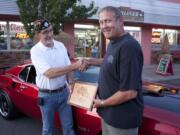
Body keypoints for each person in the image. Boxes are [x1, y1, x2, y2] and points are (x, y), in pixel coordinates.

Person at [80, 6, 144, 135]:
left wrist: (102, 103)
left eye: (108, 21)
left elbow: (130, 93)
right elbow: (109, 61)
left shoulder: (128, 47)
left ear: (121, 21)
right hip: (109, 115)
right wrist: (90, 61)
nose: (104, 26)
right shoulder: (114, 42)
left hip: (121, 119)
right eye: (101, 22)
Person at [30, 18, 80, 135]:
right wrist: (76, 66)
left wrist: (71, 83)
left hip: (64, 93)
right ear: (38, 34)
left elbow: (67, 66)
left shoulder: (61, 46)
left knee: (68, 127)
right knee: (48, 129)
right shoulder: (35, 51)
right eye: (45, 32)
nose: (49, 35)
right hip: (47, 96)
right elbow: (50, 73)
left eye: (50, 31)